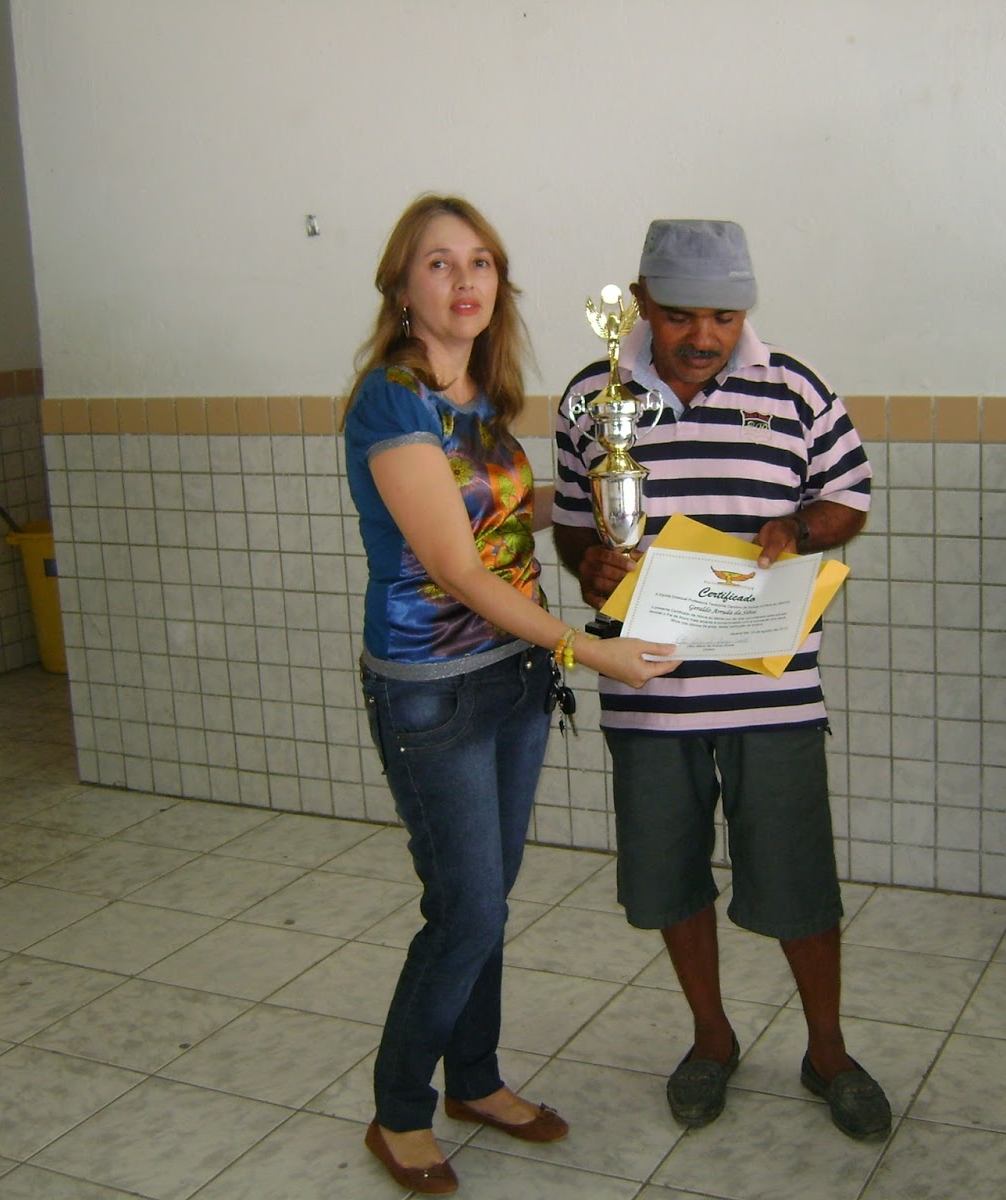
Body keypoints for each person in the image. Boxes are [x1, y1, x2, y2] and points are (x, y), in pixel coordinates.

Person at [345, 194, 677, 1194]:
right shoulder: (393, 401)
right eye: (439, 263)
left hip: (511, 676)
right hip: (434, 687)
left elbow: (493, 516)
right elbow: (454, 566)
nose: (465, 281)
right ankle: (400, 1111)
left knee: (487, 901)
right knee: (464, 910)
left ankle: (477, 1080)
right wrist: (589, 652)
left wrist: (600, 496)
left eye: (481, 262)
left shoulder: (479, 396)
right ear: (402, 289)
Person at [551, 219, 889, 1139]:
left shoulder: (795, 388)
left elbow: (849, 495)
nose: (704, 336)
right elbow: (577, 520)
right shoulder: (591, 395)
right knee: (669, 875)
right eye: (681, 315)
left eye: (725, 316)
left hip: (770, 684)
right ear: (642, 303)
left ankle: (828, 1051)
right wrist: (586, 564)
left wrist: (799, 530)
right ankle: (711, 1038)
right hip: (646, 684)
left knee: (798, 875)